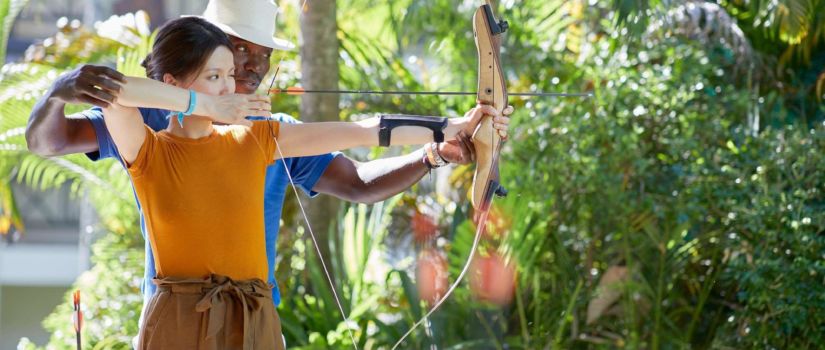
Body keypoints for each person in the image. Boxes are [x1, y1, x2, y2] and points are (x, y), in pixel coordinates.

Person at [24, 0, 512, 345]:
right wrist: (205, 102)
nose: (251, 72)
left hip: (254, 314)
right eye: (239, 58)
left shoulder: (266, 136)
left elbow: (360, 155)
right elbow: (78, 116)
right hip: (178, 314)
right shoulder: (149, 134)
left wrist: (445, 138)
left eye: (263, 59)